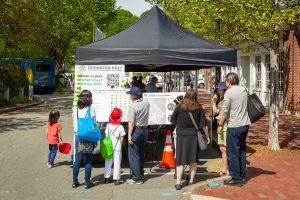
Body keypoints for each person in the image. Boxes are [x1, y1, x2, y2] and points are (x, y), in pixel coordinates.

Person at [171, 91, 210, 190]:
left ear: (185, 96)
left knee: (180, 159)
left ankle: (178, 183)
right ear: (195, 97)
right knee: (193, 159)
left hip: (181, 135)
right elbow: (203, 125)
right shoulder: (198, 108)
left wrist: (180, 125)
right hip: (193, 135)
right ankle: (191, 181)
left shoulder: (179, 106)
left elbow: (172, 120)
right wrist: (207, 136)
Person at [218, 72, 251, 186]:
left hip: (234, 125)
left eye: (226, 81)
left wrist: (220, 125)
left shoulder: (229, 93)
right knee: (242, 150)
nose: (226, 83)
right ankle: (242, 176)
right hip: (245, 124)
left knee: (232, 152)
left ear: (229, 82)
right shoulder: (244, 90)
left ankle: (236, 178)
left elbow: (224, 110)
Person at [72, 90, 97, 189]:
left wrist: (76, 133)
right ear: (89, 99)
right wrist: (95, 139)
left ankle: (74, 182)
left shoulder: (76, 109)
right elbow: (94, 125)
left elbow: (74, 124)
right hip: (89, 137)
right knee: (88, 160)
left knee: (77, 160)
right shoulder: (91, 109)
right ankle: (87, 183)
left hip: (79, 136)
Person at [126, 87, 150, 184]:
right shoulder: (146, 103)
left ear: (134, 96)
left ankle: (136, 178)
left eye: (131, 94)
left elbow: (131, 122)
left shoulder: (133, 106)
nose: (130, 96)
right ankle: (140, 173)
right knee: (141, 153)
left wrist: (129, 135)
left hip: (136, 130)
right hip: (145, 129)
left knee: (134, 155)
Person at [104, 108, 126, 185]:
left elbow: (106, 135)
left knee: (108, 161)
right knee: (117, 161)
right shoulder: (120, 127)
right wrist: (121, 144)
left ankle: (107, 177)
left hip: (108, 144)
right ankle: (116, 179)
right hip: (117, 144)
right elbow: (122, 138)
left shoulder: (108, 125)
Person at [212, 82, 228, 177]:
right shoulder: (220, 99)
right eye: (217, 89)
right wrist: (214, 101)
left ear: (224, 90)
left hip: (224, 125)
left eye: (220, 89)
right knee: (222, 148)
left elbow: (217, 112)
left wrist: (214, 102)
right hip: (221, 124)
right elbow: (215, 113)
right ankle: (225, 168)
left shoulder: (226, 100)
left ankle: (228, 169)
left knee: (225, 148)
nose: (218, 91)